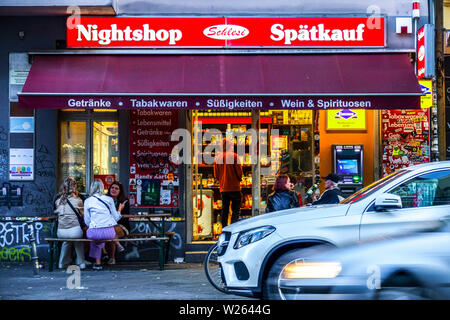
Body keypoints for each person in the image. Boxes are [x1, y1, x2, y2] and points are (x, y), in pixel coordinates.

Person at [84, 180, 125, 270]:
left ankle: (98, 264)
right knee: (102, 236)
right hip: (109, 233)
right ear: (102, 188)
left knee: (96, 239)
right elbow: (116, 218)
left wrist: (95, 224)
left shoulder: (87, 201)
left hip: (93, 233)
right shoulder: (109, 199)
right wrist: (120, 209)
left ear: (91, 188)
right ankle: (115, 245)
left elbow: (87, 221)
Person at [54, 176, 90, 269]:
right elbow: (84, 216)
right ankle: (81, 263)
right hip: (75, 231)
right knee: (77, 240)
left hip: (61, 232)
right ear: (75, 187)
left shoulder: (58, 200)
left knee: (67, 240)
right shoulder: (78, 200)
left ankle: (62, 263)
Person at [214, 137, 243, 227]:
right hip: (234, 187)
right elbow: (239, 172)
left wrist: (222, 181)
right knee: (236, 209)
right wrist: (239, 179)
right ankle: (233, 227)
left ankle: (224, 228)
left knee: (225, 209)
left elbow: (216, 175)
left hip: (223, 188)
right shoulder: (234, 156)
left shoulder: (217, 158)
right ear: (230, 146)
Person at [104, 181, 130, 265]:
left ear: (120, 191)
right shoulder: (104, 200)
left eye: (116, 188)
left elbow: (124, 218)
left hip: (122, 226)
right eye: (112, 188)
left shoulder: (124, 202)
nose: (114, 190)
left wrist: (119, 211)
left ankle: (111, 257)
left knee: (112, 231)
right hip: (106, 226)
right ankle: (104, 254)